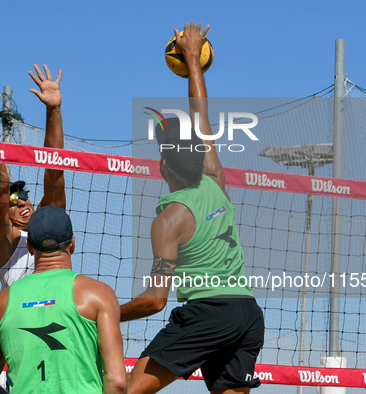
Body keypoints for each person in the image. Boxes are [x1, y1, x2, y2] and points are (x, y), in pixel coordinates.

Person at [120, 23, 265, 394]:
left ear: (162, 167)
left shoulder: (169, 219)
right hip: (247, 313)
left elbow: (154, 300)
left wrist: (106, 314)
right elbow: (202, 116)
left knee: (127, 388)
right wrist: (193, 62)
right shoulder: (215, 179)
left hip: (208, 312)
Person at [0, 205, 127, 394]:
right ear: (73, 244)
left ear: (29, 246)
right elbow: (117, 382)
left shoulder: (2, 302)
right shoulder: (98, 294)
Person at [0, 64, 66, 288]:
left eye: (22, 194)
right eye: (13, 201)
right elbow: (0, 186)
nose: (21, 201)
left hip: (60, 315)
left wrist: (54, 109)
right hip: (21, 319)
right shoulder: (5, 239)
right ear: (0, 211)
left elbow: (54, 169)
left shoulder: (49, 223)